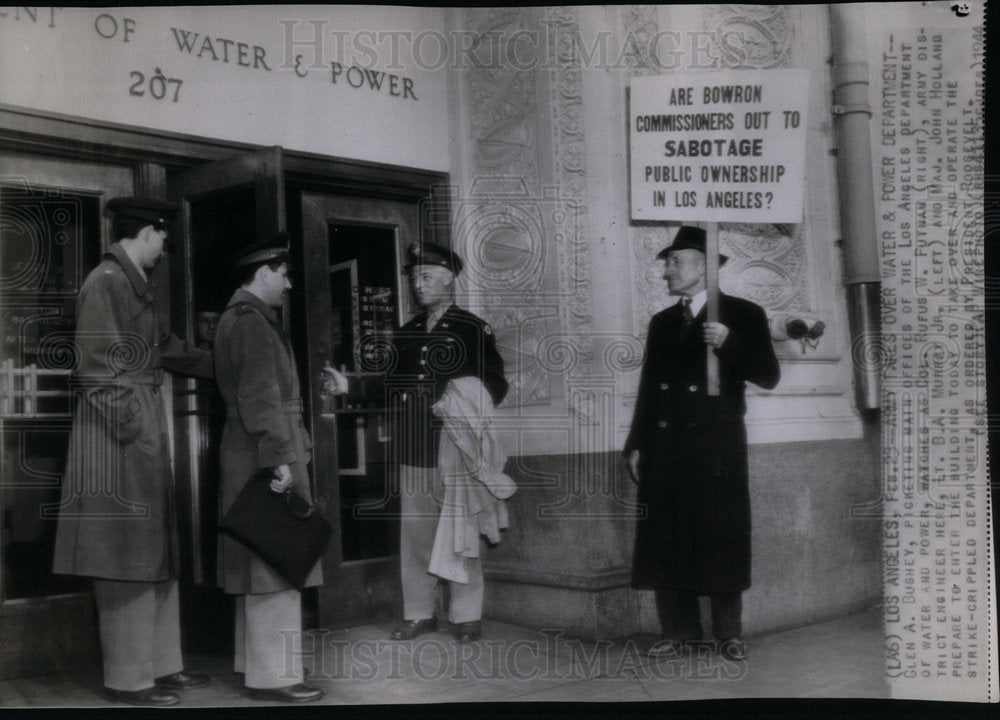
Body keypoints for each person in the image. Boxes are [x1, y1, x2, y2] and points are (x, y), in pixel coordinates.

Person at [52, 197, 213, 707]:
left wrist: (224, 361)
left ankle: (161, 665)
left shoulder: (129, 284)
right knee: (124, 553)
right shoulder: (106, 282)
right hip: (116, 436)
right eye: (163, 238)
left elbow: (165, 347)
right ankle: (127, 679)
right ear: (147, 232)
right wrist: (138, 426)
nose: (165, 249)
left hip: (135, 426)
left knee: (151, 549)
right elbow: (97, 370)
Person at [325, 241, 509, 642]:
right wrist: (350, 385)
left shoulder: (472, 328)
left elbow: (495, 383)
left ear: (449, 278)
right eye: (413, 278)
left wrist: (461, 397)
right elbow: (390, 384)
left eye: (425, 277)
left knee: (463, 531)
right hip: (414, 446)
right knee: (417, 535)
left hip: (455, 447)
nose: (417, 285)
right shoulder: (408, 331)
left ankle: (466, 616)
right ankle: (420, 613)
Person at [623, 225, 780, 662]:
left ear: (705, 266)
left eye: (676, 261)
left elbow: (768, 374)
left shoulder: (743, 314)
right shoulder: (663, 322)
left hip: (717, 447)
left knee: (720, 534)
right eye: (667, 262)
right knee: (668, 534)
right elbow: (650, 387)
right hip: (666, 445)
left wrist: (731, 343)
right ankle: (679, 632)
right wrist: (636, 443)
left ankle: (728, 632)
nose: (667, 270)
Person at [212, 237, 325, 703]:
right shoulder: (254, 323)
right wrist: (282, 459)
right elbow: (261, 399)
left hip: (249, 448)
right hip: (268, 447)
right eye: (284, 273)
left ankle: (255, 666)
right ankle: (276, 676)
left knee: (258, 560)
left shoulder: (235, 318)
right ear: (263, 272)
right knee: (278, 561)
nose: (289, 283)